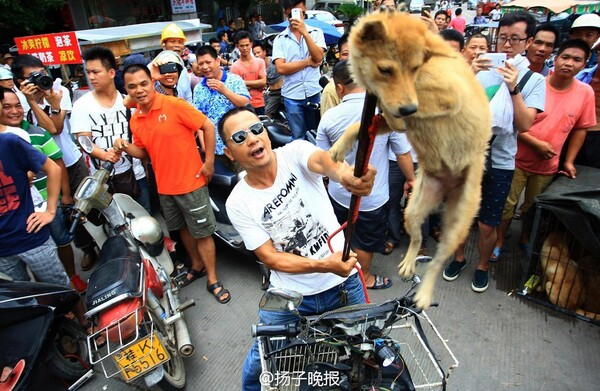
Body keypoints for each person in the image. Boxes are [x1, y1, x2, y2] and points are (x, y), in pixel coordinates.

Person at [221, 106, 375, 390]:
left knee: (367, 348)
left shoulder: (295, 152)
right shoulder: (238, 202)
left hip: (344, 285)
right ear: (229, 152)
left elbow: (325, 162)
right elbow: (271, 258)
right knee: (261, 361)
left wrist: (347, 176)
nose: (253, 139)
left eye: (256, 130)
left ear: (265, 133)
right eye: (240, 137)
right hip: (289, 296)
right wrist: (324, 264)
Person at [443, 11, 546, 292]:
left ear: (528, 41)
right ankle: (460, 257)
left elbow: (524, 123)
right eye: (502, 38)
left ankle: (483, 265)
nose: (507, 45)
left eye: (515, 39)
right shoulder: (481, 70)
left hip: (500, 162)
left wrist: (513, 87)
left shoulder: (533, 81)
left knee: (488, 224)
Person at [113, 64, 230, 303]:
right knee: (183, 229)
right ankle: (196, 266)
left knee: (203, 233)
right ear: (126, 89)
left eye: (143, 84)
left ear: (151, 83)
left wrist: (208, 163)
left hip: (191, 182)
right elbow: (143, 153)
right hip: (164, 187)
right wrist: (125, 146)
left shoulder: (173, 105)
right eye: (132, 86)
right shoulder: (136, 120)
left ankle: (213, 278)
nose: (139, 90)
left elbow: (207, 126)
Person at [317, 60, 414, 290]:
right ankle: (365, 279)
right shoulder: (387, 114)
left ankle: (340, 274)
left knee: (342, 235)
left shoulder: (330, 117)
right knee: (366, 241)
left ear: (339, 88)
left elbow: (322, 159)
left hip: (338, 194)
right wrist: (411, 179)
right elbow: (402, 153)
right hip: (373, 197)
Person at [495, 39, 596, 253]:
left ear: (585, 63)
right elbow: (514, 120)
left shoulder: (585, 92)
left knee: (533, 207)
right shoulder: (535, 83)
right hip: (516, 159)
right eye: (565, 57)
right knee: (506, 204)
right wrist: (536, 144)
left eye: (577, 60)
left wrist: (568, 161)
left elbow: (580, 128)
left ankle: (524, 236)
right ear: (556, 59)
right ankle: (498, 239)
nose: (569, 63)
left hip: (548, 165)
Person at [0, 131, 93, 340]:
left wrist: (50, 210)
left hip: (30, 236)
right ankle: (54, 338)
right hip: (3, 251)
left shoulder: (9, 142)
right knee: (23, 301)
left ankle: (85, 321)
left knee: (59, 285)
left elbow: (53, 168)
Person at [11, 54, 96, 272]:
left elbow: (56, 127)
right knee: (59, 216)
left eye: (42, 73)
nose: (40, 79)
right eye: (33, 77)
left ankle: (103, 242)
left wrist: (50, 102)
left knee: (85, 208)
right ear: (19, 82)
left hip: (69, 160)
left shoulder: (58, 90)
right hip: (39, 171)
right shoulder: (14, 103)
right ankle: (87, 249)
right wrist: (30, 101)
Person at [70, 46, 151, 214]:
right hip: (102, 180)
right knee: (117, 226)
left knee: (145, 220)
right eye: (88, 72)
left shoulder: (128, 102)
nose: (91, 77)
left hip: (135, 174)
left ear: (111, 73)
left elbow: (140, 138)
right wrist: (105, 155)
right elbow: (84, 140)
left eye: (95, 72)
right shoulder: (81, 105)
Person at [272, 0, 326, 140]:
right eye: (292, 13)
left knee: (317, 135)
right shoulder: (280, 39)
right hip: (292, 96)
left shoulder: (316, 32)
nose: (296, 17)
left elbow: (318, 57)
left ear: (305, 10)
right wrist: (308, 62)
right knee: (298, 138)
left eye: (300, 12)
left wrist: (305, 34)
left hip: (314, 91)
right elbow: (281, 68)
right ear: (286, 13)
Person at [193, 45, 250, 167]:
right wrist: (205, 147)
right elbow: (199, 120)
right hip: (215, 150)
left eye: (208, 62)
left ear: (217, 61)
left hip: (240, 144)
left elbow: (245, 104)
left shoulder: (234, 80)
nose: (205, 67)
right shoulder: (198, 88)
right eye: (201, 63)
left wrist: (224, 90)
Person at [230, 31, 267, 115]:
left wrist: (243, 82)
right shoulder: (235, 66)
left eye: (247, 45)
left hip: (259, 104)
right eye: (242, 46)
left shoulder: (260, 62)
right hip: (243, 106)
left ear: (251, 44)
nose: (245, 48)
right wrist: (257, 84)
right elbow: (236, 89)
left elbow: (263, 82)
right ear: (237, 46)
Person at [160, 23, 193, 104]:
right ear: (164, 45)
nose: (177, 45)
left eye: (180, 42)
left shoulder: (183, 70)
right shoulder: (154, 68)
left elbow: (188, 98)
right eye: (172, 41)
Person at [252, 42, 284, 118]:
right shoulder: (257, 67)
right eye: (255, 54)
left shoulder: (275, 61)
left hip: (284, 90)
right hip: (273, 93)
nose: (257, 55)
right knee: (266, 114)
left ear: (264, 52)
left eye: (258, 52)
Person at [320, 33, 349, 116]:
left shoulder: (375, 85)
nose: (350, 58)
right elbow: (328, 126)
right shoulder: (331, 90)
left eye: (355, 53)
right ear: (339, 56)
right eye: (345, 54)